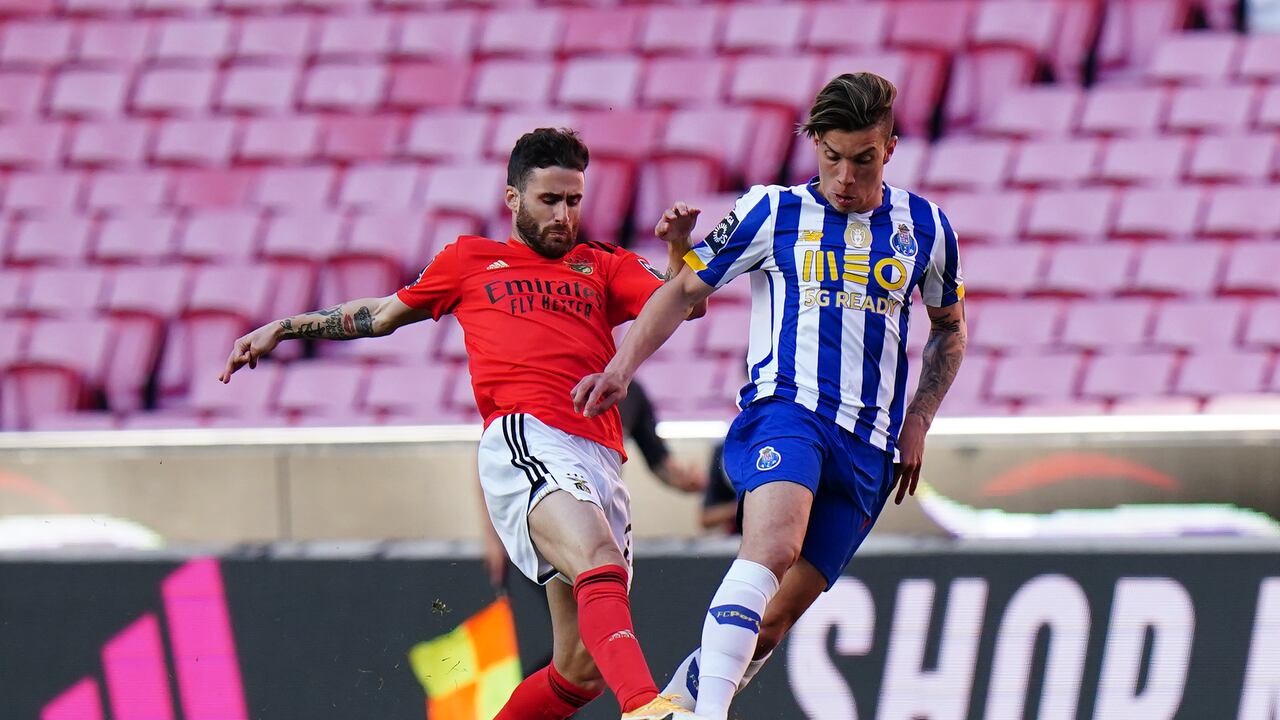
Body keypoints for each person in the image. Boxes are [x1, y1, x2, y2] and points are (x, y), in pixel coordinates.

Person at [220, 128, 709, 720]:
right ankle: (647, 710)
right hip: (527, 436)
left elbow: (684, 299)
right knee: (597, 558)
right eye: (548, 200)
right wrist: (286, 326)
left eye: (573, 201)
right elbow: (378, 315)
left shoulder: (601, 264)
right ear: (513, 199)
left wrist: (682, 248)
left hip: (600, 459)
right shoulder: (469, 261)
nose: (563, 215)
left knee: (579, 671)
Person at [572, 72, 968, 720]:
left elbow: (949, 330)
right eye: (831, 157)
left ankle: (676, 706)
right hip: (789, 412)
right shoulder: (770, 210)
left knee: (773, 621)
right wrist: (623, 364)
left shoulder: (925, 227)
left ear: (890, 148)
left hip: (869, 449)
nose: (844, 177)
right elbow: (682, 289)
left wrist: (919, 419)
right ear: (814, 143)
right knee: (770, 551)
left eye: (862, 160)